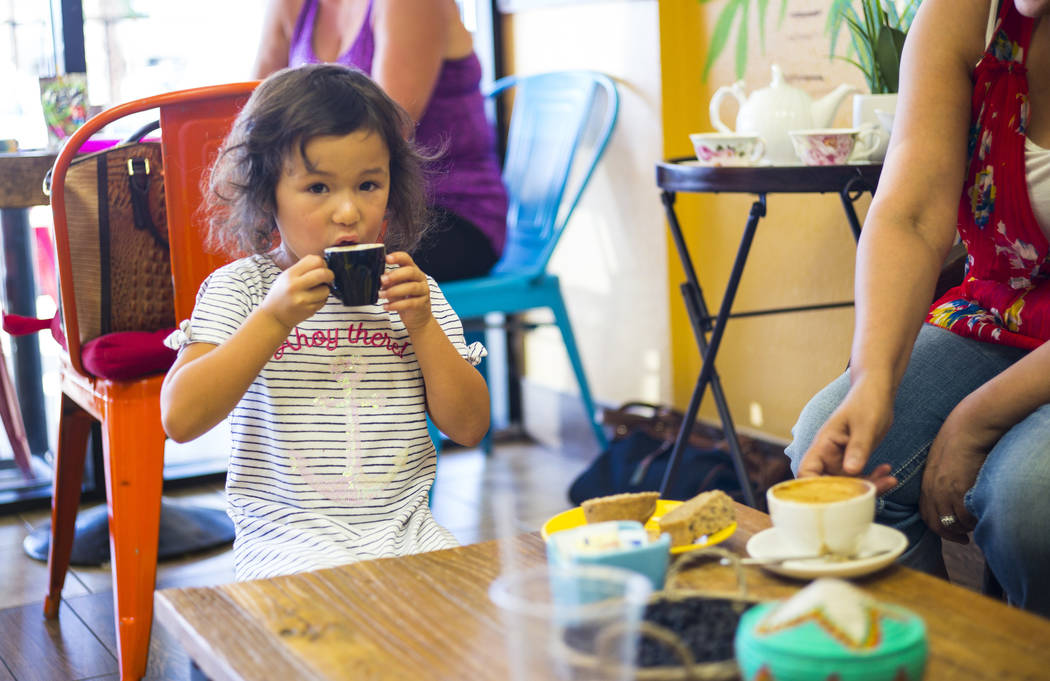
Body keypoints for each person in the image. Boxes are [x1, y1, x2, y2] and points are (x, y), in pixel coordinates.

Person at [159, 64, 490, 581]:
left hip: (408, 533)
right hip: (286, 544)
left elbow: (470, 426)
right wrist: (272, 318)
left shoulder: (410, 292)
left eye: (367, 184)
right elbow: (180, 419)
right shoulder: (241, 292)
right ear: (267, 194)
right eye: (317, 187)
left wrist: (423, 327)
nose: (347, 211)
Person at [786, 0, 1050, 616]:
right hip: (1007, 311)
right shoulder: (968, 15)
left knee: (1028, 503)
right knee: (841, 474)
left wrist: (977, 418)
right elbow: (908, 214)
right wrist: (873, 380)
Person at [252, 0, 508, 283]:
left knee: (327, 267)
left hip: (447, 213)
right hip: (341, 205)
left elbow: (389, 135)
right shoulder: (291, 5)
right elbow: (255, 120)